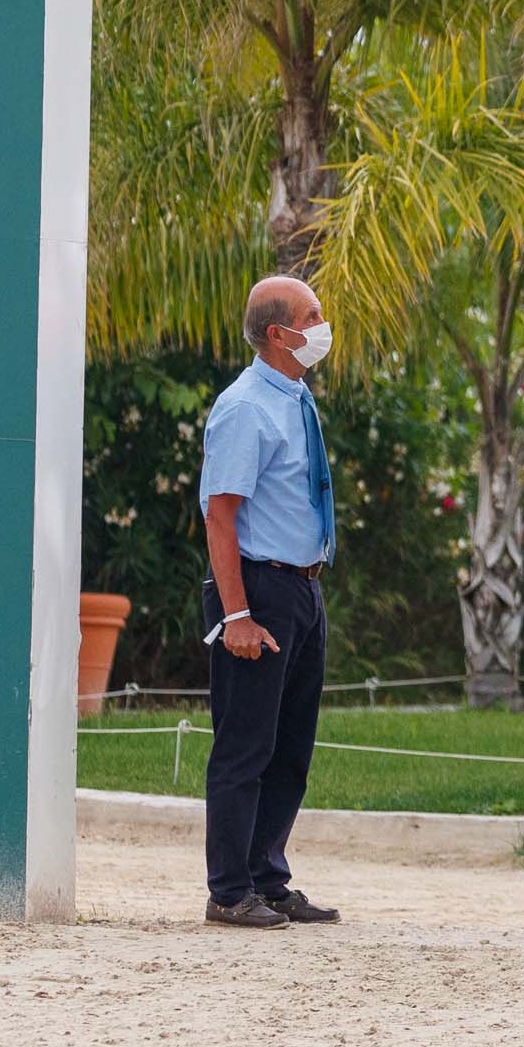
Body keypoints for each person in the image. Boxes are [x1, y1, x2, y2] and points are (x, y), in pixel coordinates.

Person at [194, 274, 343, 930]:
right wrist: (236, 615)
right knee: (245, 747)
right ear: (281, 334)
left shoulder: (296, 396)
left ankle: (267, 877)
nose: (323, 325)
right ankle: (228, 890)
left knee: (290, 749)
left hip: (304, 587)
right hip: (259, 588)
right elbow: (220, 515)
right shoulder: (246, 405)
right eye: (312, 316)